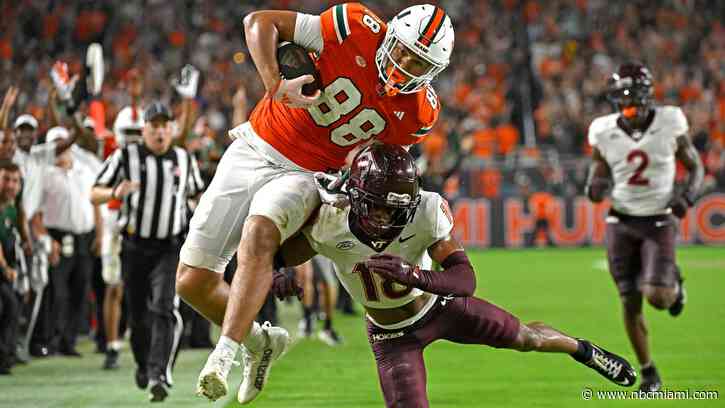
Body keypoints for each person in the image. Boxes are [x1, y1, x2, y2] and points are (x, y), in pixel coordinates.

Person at [178, 3, 454, 403]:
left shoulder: (418, 113)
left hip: (307, 176)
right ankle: (261, 343)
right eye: (404, 50)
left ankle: (225, 354)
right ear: (390, 35)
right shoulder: (354, 26)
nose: (405, 63)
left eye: (419, 61)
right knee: (192, 282)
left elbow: (374, 164)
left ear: (434, 70)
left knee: (262, 230)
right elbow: (258, 22)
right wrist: (274, 83)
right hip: (257, 144)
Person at [265, 143, 637, 407]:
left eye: (397, 210)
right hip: (391, 335)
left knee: (526, 338)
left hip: (442, 307)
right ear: (357, 197)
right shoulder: (329, 224)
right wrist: (278, 270)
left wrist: (413, 275)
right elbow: (272, 250)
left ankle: (584, 350)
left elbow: (465, 279)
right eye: (378, 208)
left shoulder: (425, 212)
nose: (387, 219)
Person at [585, 62, 704, 392]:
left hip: (658, 218)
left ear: (647, 96)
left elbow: (695, 166)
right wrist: (594, 186)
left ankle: (674, 285)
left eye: (632, 98)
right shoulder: (602, 129)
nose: (628, 106)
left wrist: (689, 197)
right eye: (622, 99)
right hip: (620, 219)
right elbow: (598, 169)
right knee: (629, 299)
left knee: (659, 298)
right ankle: (649, 372)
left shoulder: (670, 120)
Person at [91, 101, 204, 402]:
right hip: (135, 246)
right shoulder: (125, 156)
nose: (160, 131)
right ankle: (144, 365)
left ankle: (159, 373)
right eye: (154, 125)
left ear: (172, 129)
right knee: (138, 316)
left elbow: (197, 195)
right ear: (144, 130)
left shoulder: (184, 158)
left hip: (171, 246)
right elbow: (94, 193)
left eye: (165, 125)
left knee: (165, 307)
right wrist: (115, 192)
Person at [39, 126, 103, 357]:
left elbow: (95, 202)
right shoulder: (44, 174)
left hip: (84, 237)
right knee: (58, 291)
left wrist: (99, 234)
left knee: (80, 289)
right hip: (56, 236)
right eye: (56, 144)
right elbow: (35, 211)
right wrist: (46, 239)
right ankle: (53, 339)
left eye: (63, 143)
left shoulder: (84, 170)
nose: (61, 149)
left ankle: (69, 340)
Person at [0, 163, 23, 374]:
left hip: (5, 271)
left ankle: (7, 355)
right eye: (6, 179)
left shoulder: (11, 208)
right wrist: (5, 266)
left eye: (15, 181)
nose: (10, 185)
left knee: (12, 307)